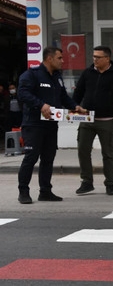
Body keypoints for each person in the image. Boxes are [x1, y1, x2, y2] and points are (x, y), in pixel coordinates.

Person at [17, 46, 86, 204]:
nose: (62, 61)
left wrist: (75, 107)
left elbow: (62, 97)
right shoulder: (31, 75)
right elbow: (23, 93)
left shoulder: (57, 77)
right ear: (49, 58)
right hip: (34, 124)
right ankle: (23, 191)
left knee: (48, 158)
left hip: (51, 124)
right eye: (59, 58)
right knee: (31, 158)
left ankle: (45, 191)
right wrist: (41, 105)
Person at [73, 46, 113, 196]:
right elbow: (78, 93)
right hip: (87, 119)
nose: (95, 60)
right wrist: (74, 107)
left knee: (108, 153)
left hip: (107, 120)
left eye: (98, 57)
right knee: (83, 150)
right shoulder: (87, 73)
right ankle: (87, 182)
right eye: (93, 57)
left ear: (107, 58)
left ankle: (110, 183)